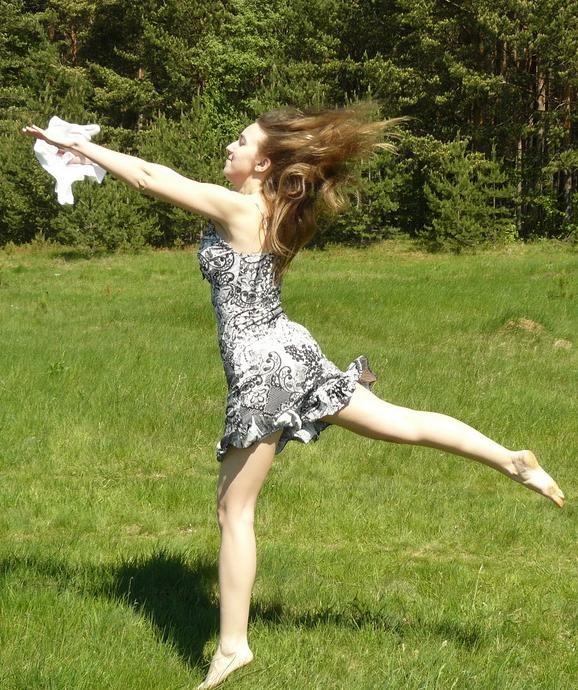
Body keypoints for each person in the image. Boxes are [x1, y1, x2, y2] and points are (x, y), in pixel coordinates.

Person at [23, 106, 565, 689]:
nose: (229, 147)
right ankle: (511, 460)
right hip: (290, 347)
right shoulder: (271, 211)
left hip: (263, 367)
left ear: (263, 165)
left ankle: (232, 647)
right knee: (398, 422)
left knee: (234, 511)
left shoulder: (242, 208)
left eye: (240, 142)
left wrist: (80, 148)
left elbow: (152, 178)